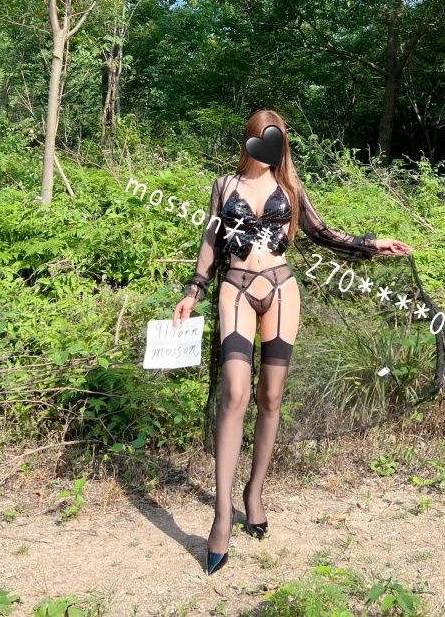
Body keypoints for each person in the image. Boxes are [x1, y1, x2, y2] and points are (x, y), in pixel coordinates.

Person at [172, 109, 413, 575]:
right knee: (234, 393)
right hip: (235, 289)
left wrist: (372, 243)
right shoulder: (224, 185)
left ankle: (254, 492)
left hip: (281, 290)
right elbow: (210, 239)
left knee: (271, 396)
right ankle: (221, 515)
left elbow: (322, 232)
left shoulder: (289, 186)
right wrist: (193, 291)